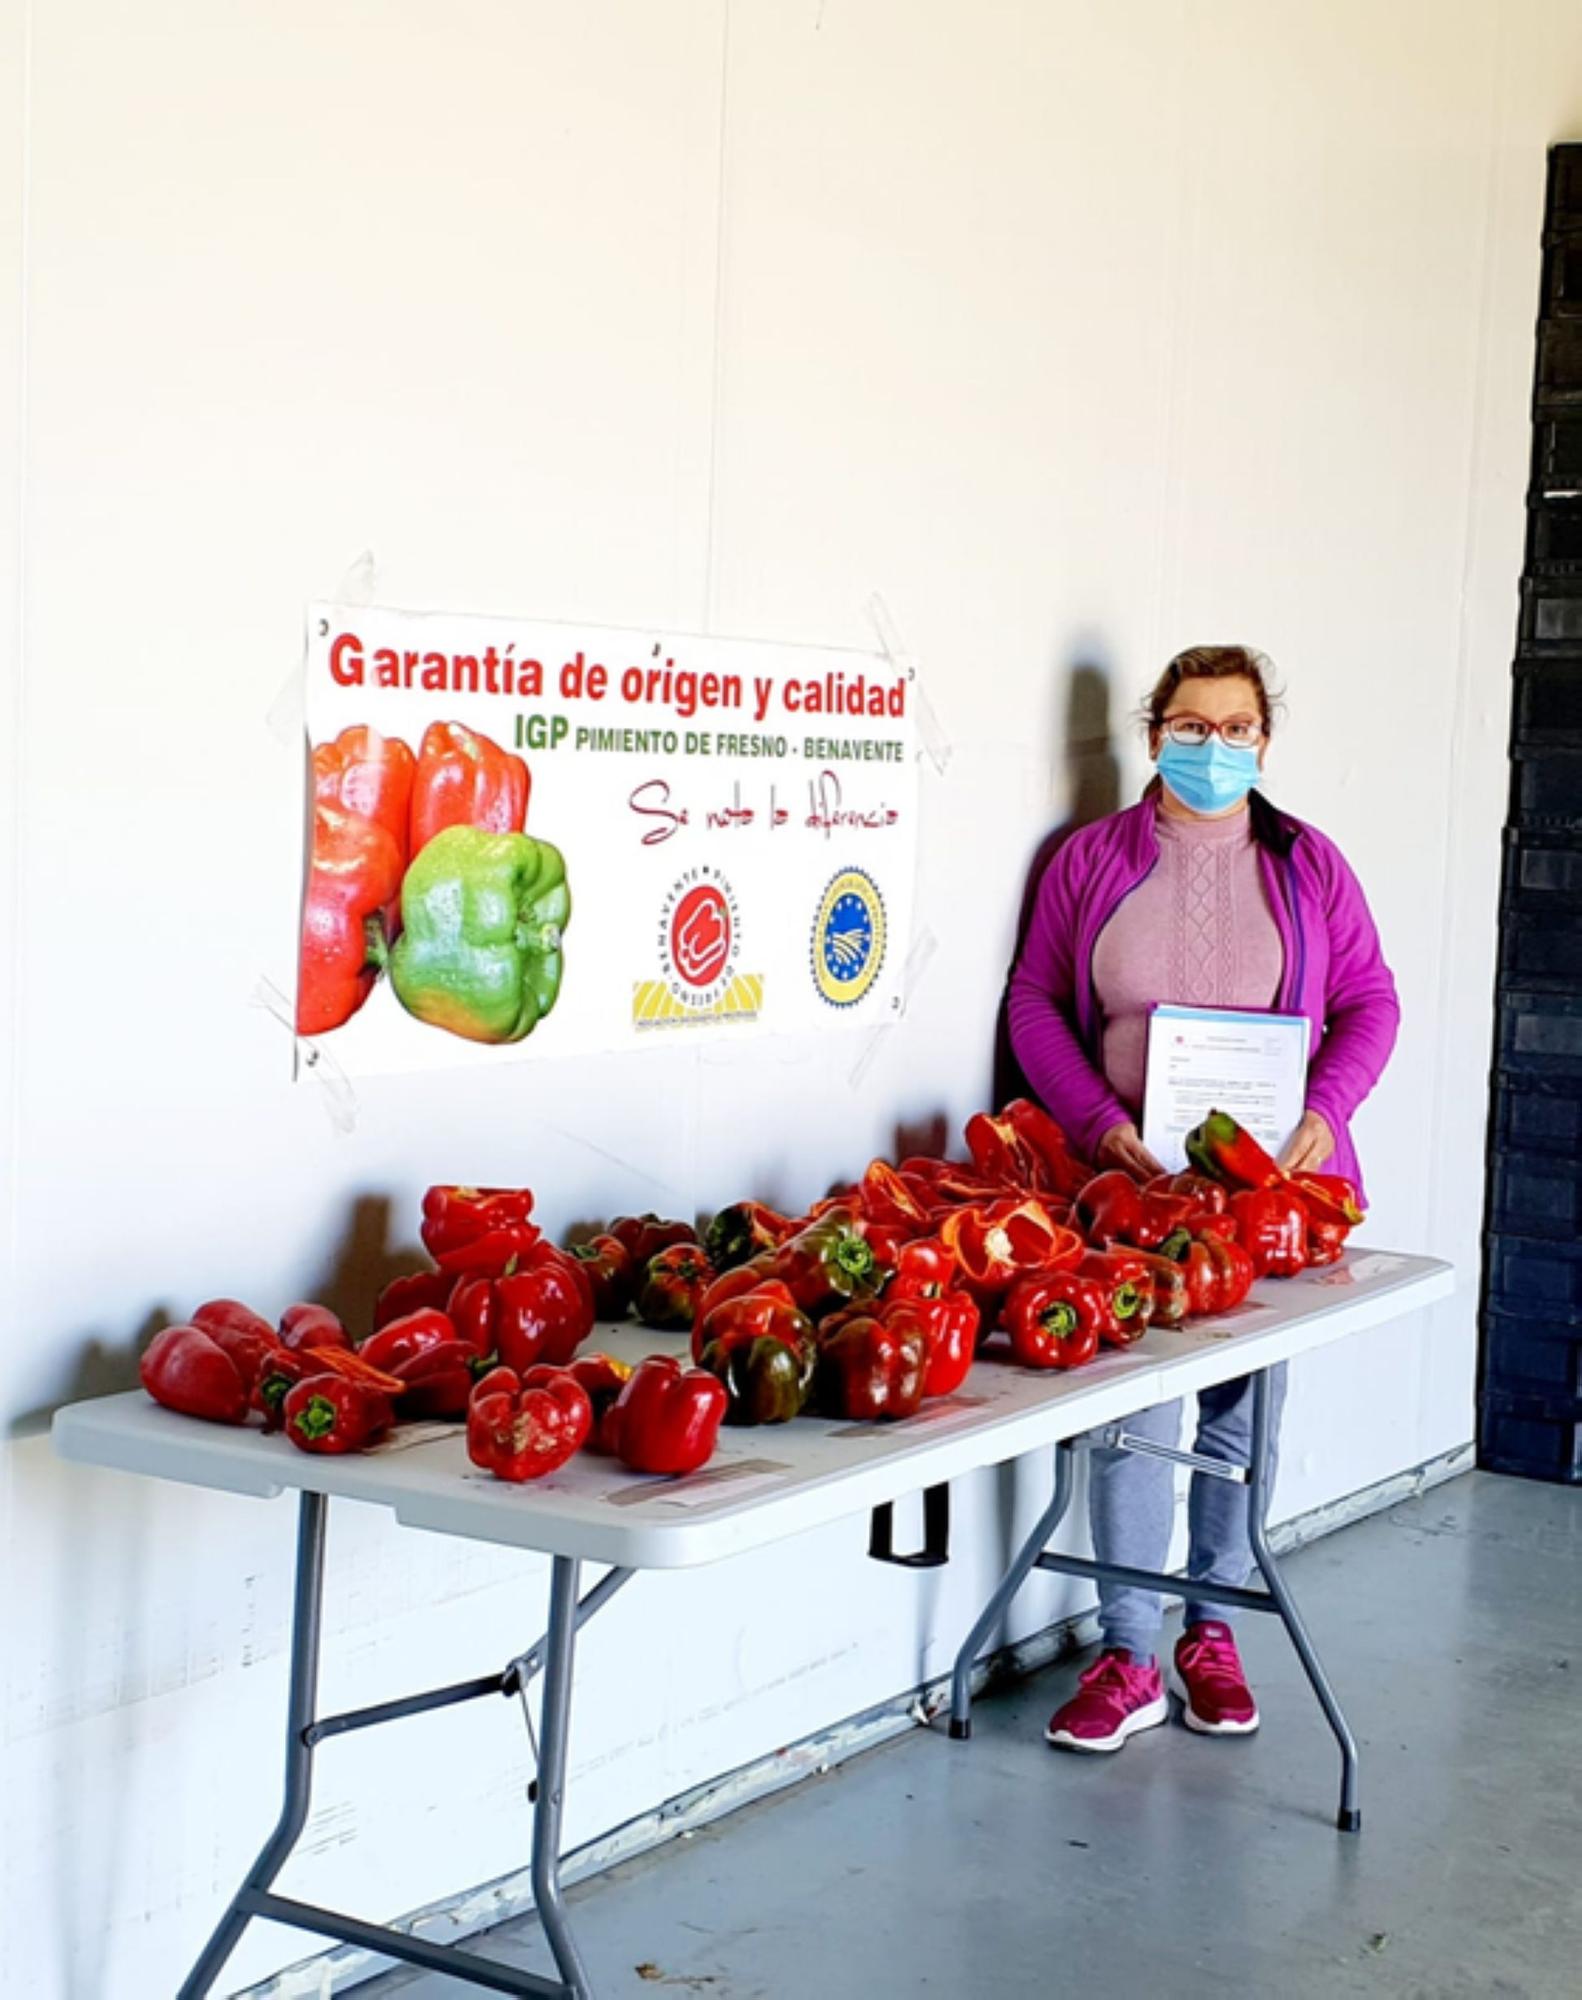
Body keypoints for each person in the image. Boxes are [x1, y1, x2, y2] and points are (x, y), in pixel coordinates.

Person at [1006, 645, 1399, 1753]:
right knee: (1135, 1410)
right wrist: (1099, 1125)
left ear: (1264, 740)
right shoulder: (1089, 858)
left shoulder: (1309, 863)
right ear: (1152, 732)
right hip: (1131, 1189)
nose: (1211, 746)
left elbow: (1371, 999)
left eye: (1235, 727)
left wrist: (1328, 1106)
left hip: (1272, 1191)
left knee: (1241, 1409)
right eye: (1191, 723)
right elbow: (1034, 1000)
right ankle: (1127, 1646)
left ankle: (1211, 1629)